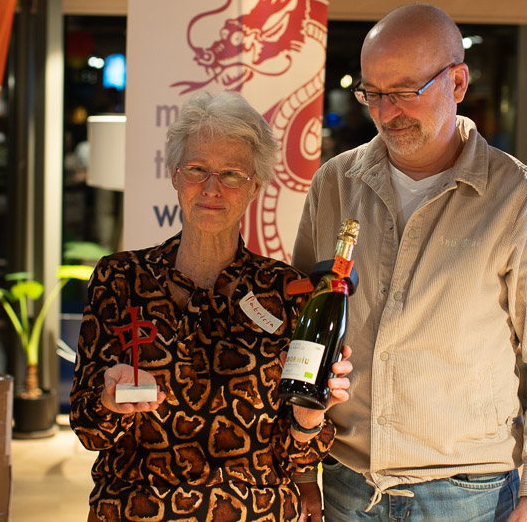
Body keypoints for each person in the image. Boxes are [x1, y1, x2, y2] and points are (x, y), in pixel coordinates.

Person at [292, 3, 527, 522]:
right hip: (345, 482)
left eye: (406, 91)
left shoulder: (518, 197)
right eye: (373, 93)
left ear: (458, 81)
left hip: (467, 493)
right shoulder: (334, 184)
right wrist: (298, 469)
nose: (387, 112)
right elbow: (303, 335)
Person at [70, 91, 352, 522]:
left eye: (232, 174)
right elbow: (89, 431)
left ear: (255, 186)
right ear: (175, 176)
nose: (212, 188)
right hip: (136, 510)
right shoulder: (120, 278)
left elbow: (296, 458)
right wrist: (109, 402)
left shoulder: (287, 292)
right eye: (197, 169)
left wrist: (308, 418)